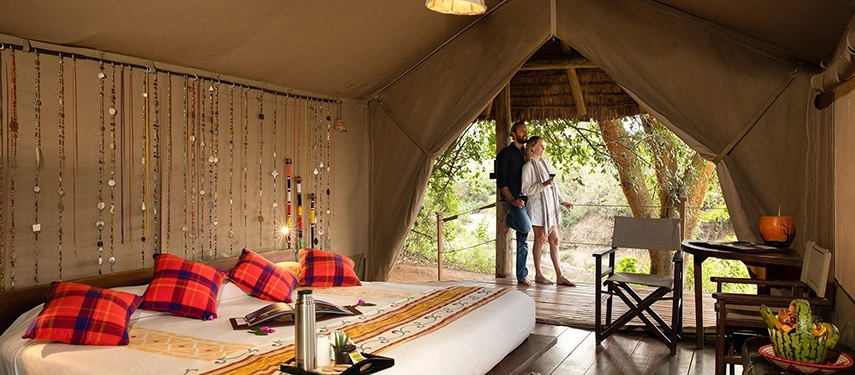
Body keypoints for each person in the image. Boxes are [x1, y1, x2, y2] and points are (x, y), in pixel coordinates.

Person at [520, 136, 575, 286]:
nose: (543, 148)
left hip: (550, 205)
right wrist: (542, 184)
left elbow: (553, 186)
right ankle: (538, 274)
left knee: (555, 240)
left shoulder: (545, 164)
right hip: (537, 207)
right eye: (540, 146)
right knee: (540, 239)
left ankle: (560, 275)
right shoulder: (528, 167)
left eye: (544, 146)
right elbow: (525, 190)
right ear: (532, 148)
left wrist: (561, 200)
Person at [496, 121, 533, 286]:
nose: (525, 133)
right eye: (521, 130)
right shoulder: (505, 154)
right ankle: (509, 219)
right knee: (525, 226)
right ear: (513, 133)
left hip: (527, 199)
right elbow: (501, 181)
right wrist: (511, 199)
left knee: (523, 240)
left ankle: (522, 275)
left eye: (526, 130)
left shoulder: (527, 154)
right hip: (513, 199)